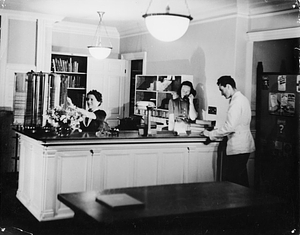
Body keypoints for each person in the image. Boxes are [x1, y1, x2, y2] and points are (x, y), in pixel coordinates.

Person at [203, 76, 255, 187]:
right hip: (244, 145)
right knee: (241, 181)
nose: (221, 94)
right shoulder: (243, 99)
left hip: (238, 147)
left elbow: (230, 127)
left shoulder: (236, 102)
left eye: (222, 90)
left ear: (228, 86)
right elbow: (235, 124)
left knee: (235, 182)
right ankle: (247, 203)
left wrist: (211, 134)